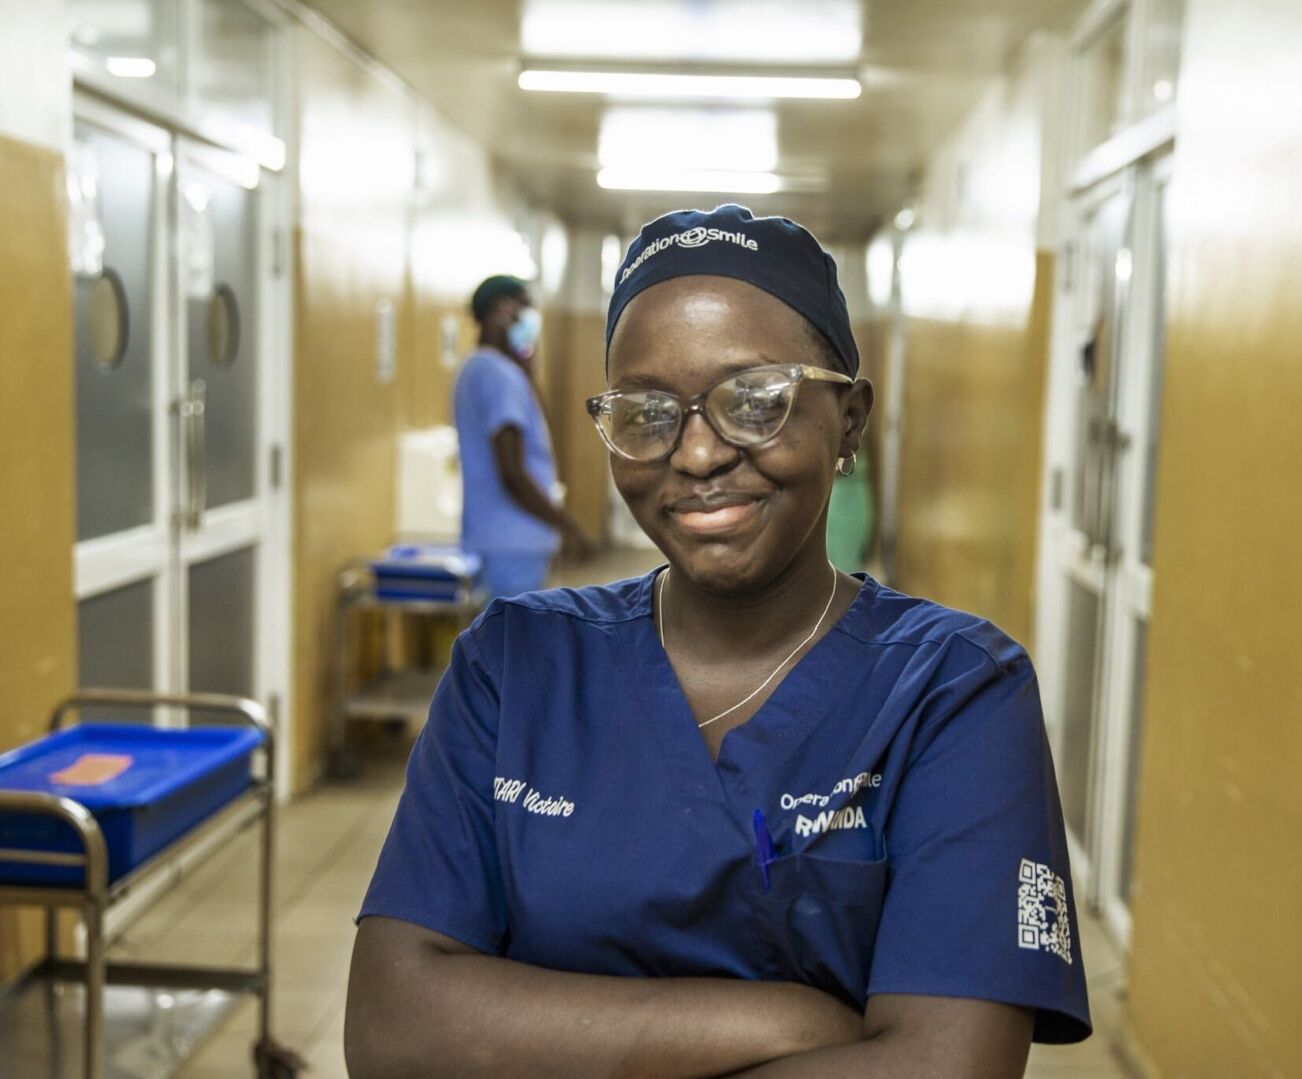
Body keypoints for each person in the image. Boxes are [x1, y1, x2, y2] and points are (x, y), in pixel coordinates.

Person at [348, 206, 1091, 1077]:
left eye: (755, 400)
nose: (697, 453)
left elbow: (943, 1069)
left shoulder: (954, 692)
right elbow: (395, 1030)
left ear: (849, 419)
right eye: (646, 411)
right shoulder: (513, 664)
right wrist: (790, 1021)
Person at [455, 274, 595, 599]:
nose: (532, 320)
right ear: (503, 310)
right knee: (514, 643)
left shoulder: (475, 368)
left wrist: (528, 374)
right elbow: (513, 472)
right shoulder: (501, 376)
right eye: (526, 308)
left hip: (490, 536)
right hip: (515, 542)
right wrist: (568, 526)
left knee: (498, 639)